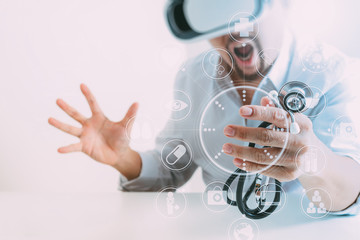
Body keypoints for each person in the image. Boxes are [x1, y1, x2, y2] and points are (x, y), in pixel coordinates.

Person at [48, 0, 360, 214]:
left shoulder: (333, 71)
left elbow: (352, 189)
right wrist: (124, 158)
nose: (234, 29)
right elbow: (171, 168)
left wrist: (314, 161)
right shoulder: (195, 75)